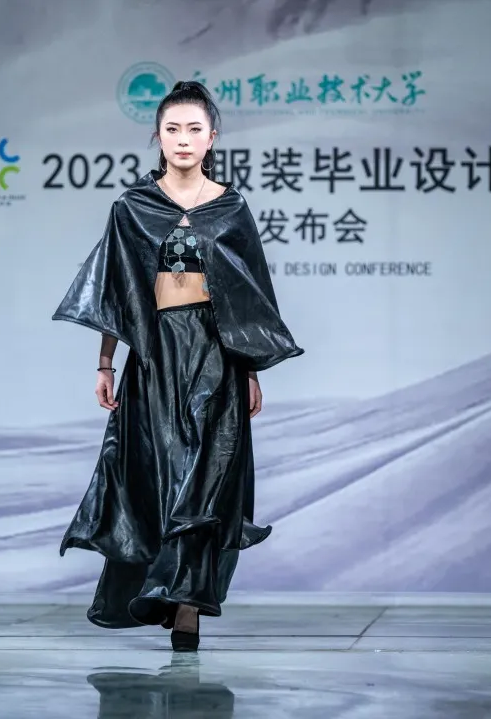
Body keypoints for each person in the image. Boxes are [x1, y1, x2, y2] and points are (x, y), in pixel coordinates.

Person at [52, 81, 303, 652]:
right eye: (172, 129)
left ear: (212, 137)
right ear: (158, 137)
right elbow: (116, 290)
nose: (183, 139)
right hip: (157, 352)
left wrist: (251, 370)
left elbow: (249, 297)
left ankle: (187, 603)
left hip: (217, 354)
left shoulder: (231, 208)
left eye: (194, 129)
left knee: (207, 481)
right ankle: (166, 585)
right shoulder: (133, 208)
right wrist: (105, 363)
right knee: (159, 476)